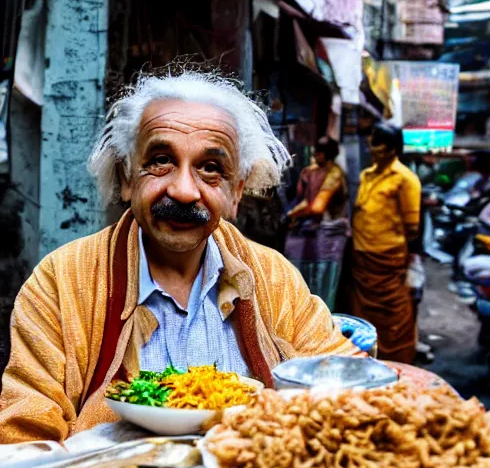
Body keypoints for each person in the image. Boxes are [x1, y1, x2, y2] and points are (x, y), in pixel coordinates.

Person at [0, 71, 360, 444]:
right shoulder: (62, 282)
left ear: (235, 193)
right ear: (126, 177)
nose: (185, 191)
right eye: (160, 160)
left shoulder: (273, 278)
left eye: (210, 168)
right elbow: (23, 437)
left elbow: (348, 386)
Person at [348, 123, 421, 364]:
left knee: (394, 316)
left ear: (392, 149)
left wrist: (410, 262)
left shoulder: (405, 179)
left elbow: (412, 229)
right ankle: (368, 359)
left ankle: (398, 361)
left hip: (388, 260)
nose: (371, 148)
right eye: (372, 141)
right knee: (363, 316)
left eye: (378, 143)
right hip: (363, 258)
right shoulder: (366, 175)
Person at [284, 137, 348, 311]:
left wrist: (294, 214)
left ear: (327, 155)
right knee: (305, 280)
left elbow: (318, 207)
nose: (315, 156)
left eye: (319, 153)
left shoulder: (335, 174)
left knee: (325, 283)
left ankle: (324, 325)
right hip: (310, 234)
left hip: (330, 236)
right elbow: (305, 201)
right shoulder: (310, 172)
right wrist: (290, 214)